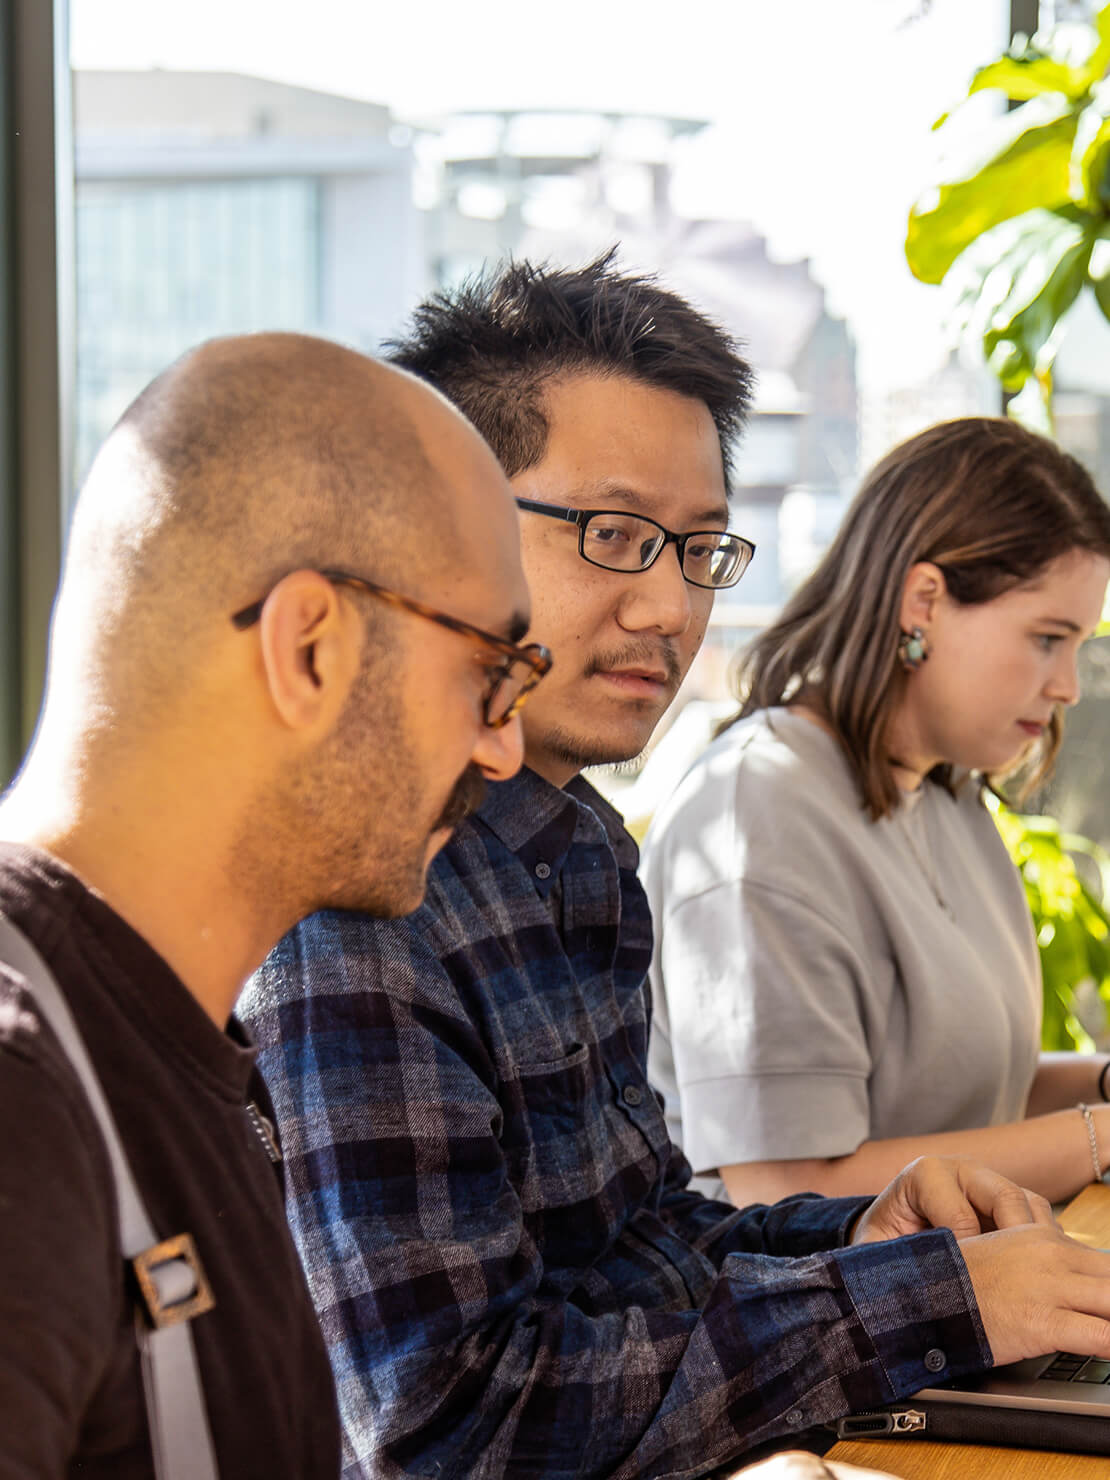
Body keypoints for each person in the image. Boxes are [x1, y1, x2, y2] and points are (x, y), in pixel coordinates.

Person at [241, 261, 1110, 1480]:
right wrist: (925, 1301)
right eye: (612, 535)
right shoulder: (355, 897)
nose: (667, 605)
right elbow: (448, 1427)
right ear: (447, 524)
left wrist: (870, 1234)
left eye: (699, 548)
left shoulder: (576, 844)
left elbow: (638, 1246)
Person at [0, 330, 544, 1476]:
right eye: (492, 670)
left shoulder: (174, 1046)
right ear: (310, 645)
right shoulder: (22, 1097)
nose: (504, 745)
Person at [642, 415, 1110, 1210]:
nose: (1067, 684)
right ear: (923, 600)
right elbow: (786, 1186)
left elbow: (961, 1098)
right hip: (814, 1325)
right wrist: (1099, 1138)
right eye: (1046, 638)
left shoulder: (944, 794)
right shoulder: (758, 812)